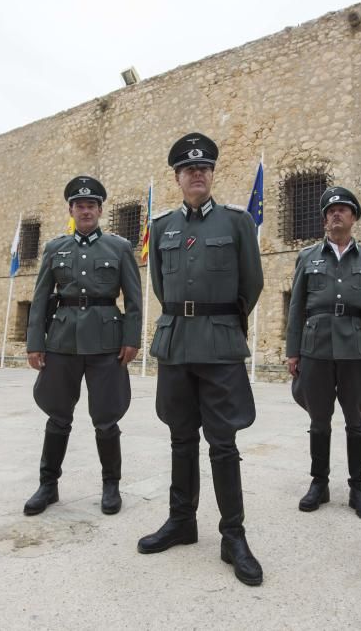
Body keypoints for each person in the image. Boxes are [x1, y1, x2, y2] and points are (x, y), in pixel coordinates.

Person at [137, 132, 265, 587]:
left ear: (212, 174)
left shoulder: (236, 223)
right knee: (180, 437)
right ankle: (181, 521)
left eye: (204, 168)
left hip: (219, 344)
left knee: (224, 442)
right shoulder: (164, 226)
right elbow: (159, 287)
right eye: (189, 169)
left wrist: (219, 324)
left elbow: (251, 285)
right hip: (175, 344)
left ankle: (234, 535)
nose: (197, 174)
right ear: (177, 177)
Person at [23, 176, 142, 517]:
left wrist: (132, 338)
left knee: (106, 418)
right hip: (62, 341)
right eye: (80, 205)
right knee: (58, 415)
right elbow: (42, 298)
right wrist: (36, 342)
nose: (86, 210)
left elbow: (133, 298)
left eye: (91, 205)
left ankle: (111, 485)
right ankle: (48, 486)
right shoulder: (54, 248)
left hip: (107, 342)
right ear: (71, 210)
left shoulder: (119, 248)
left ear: (100, 210)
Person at [285, 186, 361, 520]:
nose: (336, 214)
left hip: (357, 349)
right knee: (319, 420)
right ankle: (319, 484)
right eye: (330, 211)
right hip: (315, 348)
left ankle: (358, 487)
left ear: (354, 217)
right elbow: (297, 308)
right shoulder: (308, 257)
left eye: (343, 209)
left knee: (356, 422)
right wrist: (293, 351)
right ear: (324, 219)